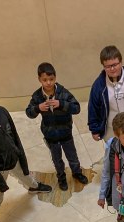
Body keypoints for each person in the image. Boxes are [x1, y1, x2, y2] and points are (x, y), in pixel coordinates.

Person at [0, 85, 51, 221]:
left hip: (13, 158)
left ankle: (34, 187)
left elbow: (14, 134)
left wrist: (20, 155)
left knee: (25, 175)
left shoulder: (2, 112)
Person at [26, 62, 89, 191]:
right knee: (57, 159)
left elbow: (76, 108)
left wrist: (61, 104)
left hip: (66, 132)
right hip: (50, 135)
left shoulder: (63, 93)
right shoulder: (37, 96)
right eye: (45, 80)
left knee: (72, 156)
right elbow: (29, 113)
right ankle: (61, 177)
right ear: (39, 79)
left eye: (51, 79)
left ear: (55, 77)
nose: (48, 82)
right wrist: (38, 108)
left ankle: (77, 173)